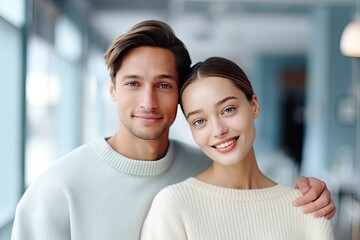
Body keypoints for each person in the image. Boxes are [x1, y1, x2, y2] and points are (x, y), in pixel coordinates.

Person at [11, 20, 335, 240]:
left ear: (179, 96)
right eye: (133, 84)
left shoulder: (208, 167)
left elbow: (258, 204)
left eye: (163, 85)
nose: (148, 102)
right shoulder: (57, 189)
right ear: (112, 90)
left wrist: (310, 194)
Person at [140, 57, 334, 239]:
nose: (218, 130)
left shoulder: (307, 207)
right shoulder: (173, 206)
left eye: (228, 109)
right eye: (200, 121)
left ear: (254, 106)